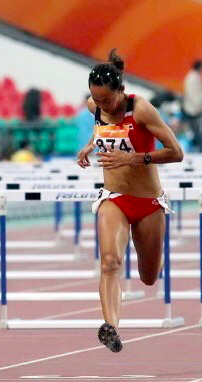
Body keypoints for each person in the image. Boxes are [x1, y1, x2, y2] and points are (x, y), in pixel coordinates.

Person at [75, 49, 183, 353]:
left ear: (121, 92)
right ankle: (111, 326)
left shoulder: (142, 110)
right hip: (115, 197)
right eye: (97, 101)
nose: (102, 106)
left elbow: (176, 152)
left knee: (149, 277)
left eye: (108, 101)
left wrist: (133, 158)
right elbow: (105, 130)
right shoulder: (94, 106)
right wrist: (89, 144)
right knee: (110, 262)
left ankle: (144, 274)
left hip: (148, 203)